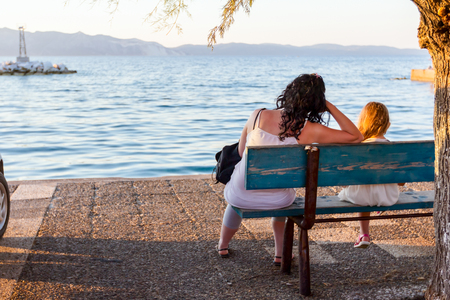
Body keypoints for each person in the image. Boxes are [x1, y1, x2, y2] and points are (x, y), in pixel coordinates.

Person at [217, 74, 364, 265]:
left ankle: (223, 244)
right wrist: (328, 105)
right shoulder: (311, 130)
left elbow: (239, 151)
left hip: (241, 195)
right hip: (279, 200)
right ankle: (279, 253)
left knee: (237, 192)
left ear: (290, 92)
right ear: (315, 103)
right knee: (282, 187)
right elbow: (356, 136)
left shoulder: (257, 115)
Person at [338, 102, 401, 249]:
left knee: (360, 192)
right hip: (388, 198)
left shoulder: (359, 148)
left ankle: (364, 234)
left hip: (361, 197)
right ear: (388, 124)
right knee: (374, 188)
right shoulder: (394, 149)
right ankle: (379, 205)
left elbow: (347, 178)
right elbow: (401, 182)